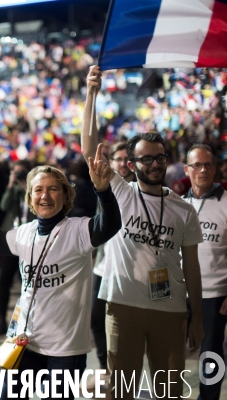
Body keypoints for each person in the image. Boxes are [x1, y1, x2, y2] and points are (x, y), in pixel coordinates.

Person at [82, 65, 204, 399]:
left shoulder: (184, 209)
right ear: (132, 165)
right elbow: (89, 150)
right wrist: (92, 94)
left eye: (159, 158)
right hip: (123, 307)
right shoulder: (122, 192)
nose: (154, 164)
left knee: (168, 393)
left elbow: (192, 266)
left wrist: (196, 316)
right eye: (146, 159)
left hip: (172, 308)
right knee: (121, 392)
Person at [0, 144, 121, 400]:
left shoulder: (78, 230)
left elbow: (110, 224)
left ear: (65, 195)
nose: (44, 195)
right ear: (30, 197)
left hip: (64, 349)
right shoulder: (24, 232)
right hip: (23, 341)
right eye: (38, 189)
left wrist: (103, 190)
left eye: (52, 189)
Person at [182, 144, 227, 400]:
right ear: (187, 169)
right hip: (178, 293)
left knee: (211, 355)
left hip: (214, 294)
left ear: (215, 168)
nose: (203, 170)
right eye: (197, 165)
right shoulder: (179, 204)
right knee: (170, 353)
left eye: (208, 164)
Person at [89, 142, 134, 376]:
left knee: (124, 324)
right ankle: (105, 367)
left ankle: (122, 370)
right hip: (103, 266)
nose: (122, 164)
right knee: (96, 318)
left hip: (128, 269)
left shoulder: (139, 190)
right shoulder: (104, 185)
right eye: (117, 159)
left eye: (127, 159)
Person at [0, 159, 35, 335]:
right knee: (4, 281)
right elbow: (4, 206)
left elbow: (36, 210)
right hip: (13, 241)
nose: (19, 176)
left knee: (30, 283)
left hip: (31, 243)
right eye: (16, 172)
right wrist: (11, 186)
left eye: (22, 173)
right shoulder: (14, 190)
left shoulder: (34, 191)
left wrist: (27, 187)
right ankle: (1, 320)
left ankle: (29, 321)